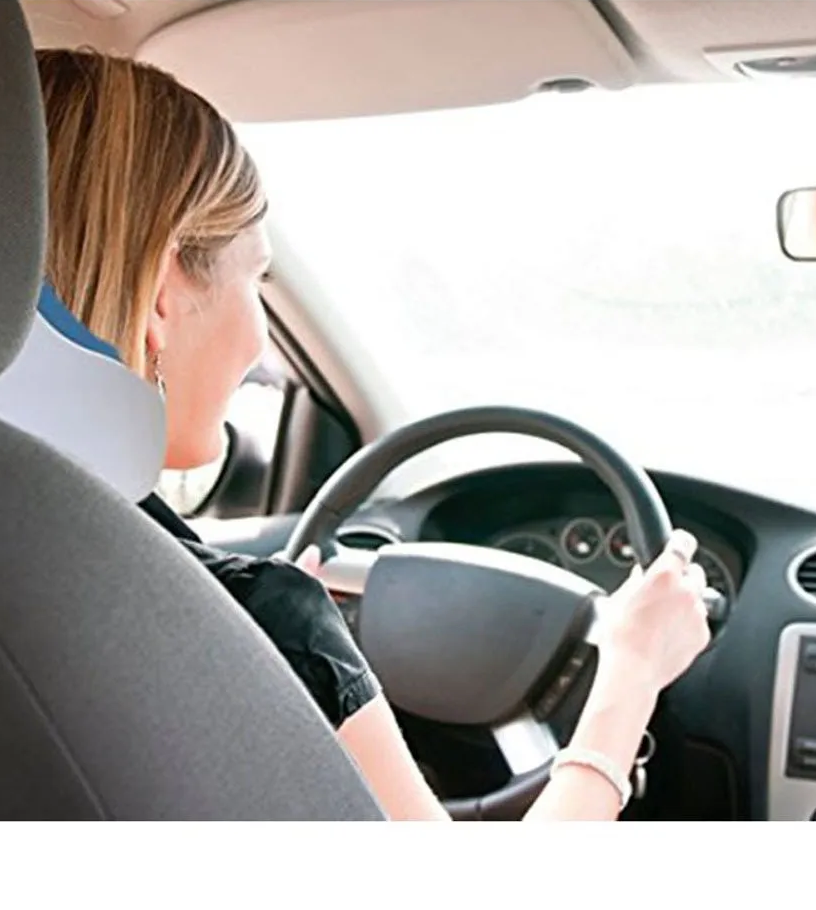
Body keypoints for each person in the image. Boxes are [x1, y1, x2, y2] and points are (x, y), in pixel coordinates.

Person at [35, 47, 712, 821]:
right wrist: (632, 671)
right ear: (163, 293)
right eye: (258, 279)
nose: (260, 340)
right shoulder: (253, 620)